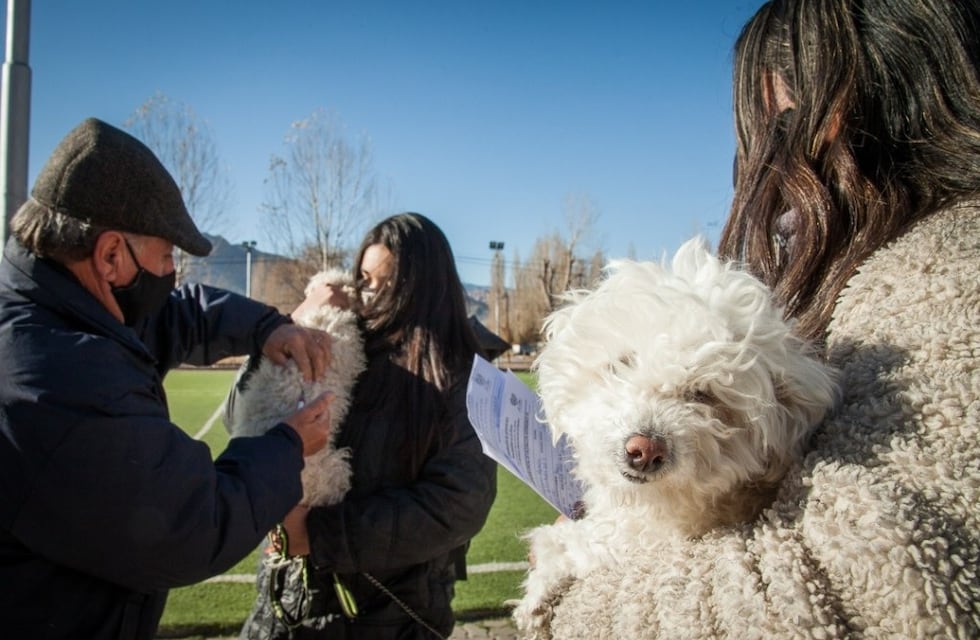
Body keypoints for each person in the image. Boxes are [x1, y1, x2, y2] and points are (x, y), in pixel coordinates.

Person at [516, 0, 979, 637]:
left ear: (847, 108)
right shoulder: (872, 270)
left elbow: (884, 582)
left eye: (779, 117)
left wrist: (575, 611)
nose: (762, 153)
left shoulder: (951, 274)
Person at [0, 117, 338, 640]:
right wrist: (288, 446)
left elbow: (178, 315)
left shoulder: (55, 304)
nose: (170, 276)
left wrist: (267, 326)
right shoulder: (53, 378)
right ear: (112, 254)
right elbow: (190, 523)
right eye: (166, 258)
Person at [235, 212, 498, 640]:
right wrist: (293, 323)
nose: (371, 294)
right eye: (364, 278)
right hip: (283, 607)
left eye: (389, 281)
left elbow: (458, 504)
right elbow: (242, 416)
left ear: (426, 285)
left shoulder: (461, 376)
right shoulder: (333, 341)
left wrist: (318, 536)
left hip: (391, 618)